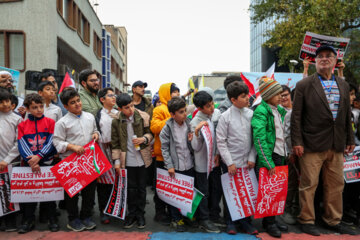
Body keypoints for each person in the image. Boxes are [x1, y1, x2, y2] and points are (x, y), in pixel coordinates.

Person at [291, 45, 356, 236]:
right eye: (320, 56)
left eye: (329, 56)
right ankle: (306, 219)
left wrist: (349, 138)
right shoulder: (304, 85)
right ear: (315, 62)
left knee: (336, 185)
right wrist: (297, 142)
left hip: (337, 144)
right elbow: (296, 116)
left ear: (335, 62)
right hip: (311, 144)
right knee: (309, 184)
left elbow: (346, 115)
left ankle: (333, 220)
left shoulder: (343, 84)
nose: (324, 59)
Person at [53, 88, 99, 232]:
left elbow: (95, 130)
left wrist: (96, 135)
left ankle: (86, 217)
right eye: (73, 103)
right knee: (72, 194)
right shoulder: (62, 123)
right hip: (70, 162)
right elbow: (57, 143)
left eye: (78, 100)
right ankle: (73, 219)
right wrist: (72, 146)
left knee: (89, 193)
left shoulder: (90, 117)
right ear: (66, 106)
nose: (78, 104)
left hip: (88, 161)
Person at [216, 81, 258, 235]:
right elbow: (221, 141)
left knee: (246, 192)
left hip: (248, 162)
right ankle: (230, 222)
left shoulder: (252, 114)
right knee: (231, 193)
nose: (248, 98)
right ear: (233, 100)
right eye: (243, 96)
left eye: (247, 94)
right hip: (230, 163)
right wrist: (229, 162)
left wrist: (252, 157)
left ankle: (246, 222)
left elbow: (256, 139)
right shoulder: (225, 117)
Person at [251, 77, 288, 238]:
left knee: (276, 191)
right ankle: (269, 223)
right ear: (268, 95)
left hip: (280, 154)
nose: (281, 96)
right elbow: (259, 139)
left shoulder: (277, 110)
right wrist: (268, 162)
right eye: (277, 94)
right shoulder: (261, 111)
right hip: (270, 157)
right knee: (269, 192)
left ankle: (272, 219)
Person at [17, 93, 59, 233]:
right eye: (35, 107)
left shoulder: (50, 122)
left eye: (41, 106)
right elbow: (21, 143)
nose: (39, 110)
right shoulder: (22, 125)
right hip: (30, 165)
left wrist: (39, 156)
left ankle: (52, 218)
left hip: (46, 162)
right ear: (28, 109)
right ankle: (28, 220)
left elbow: (51, 141)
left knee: (49, 194)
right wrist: (31, 160)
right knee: (30, 194)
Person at [111, 93, 153, 229]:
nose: (130, 110)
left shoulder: (142, 116)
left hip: (142, 158)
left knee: (142, 188)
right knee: (130, 189)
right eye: (126, 108)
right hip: (126, 160)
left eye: (131, 106)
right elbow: (115, 143)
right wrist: (117, 162)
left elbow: (150, 133)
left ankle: (140, 215)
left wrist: (144, 139)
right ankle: (131, 214)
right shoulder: (116, 121)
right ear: (119, 109)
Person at [159, 97, 194, 232]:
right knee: (175, 194)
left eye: (185, 110)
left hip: (189, 165)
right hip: (176, 167)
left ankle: (186, 217)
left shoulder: (189, 124)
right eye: (181, 112)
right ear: (172, 115)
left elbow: (193, 147)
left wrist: (192, 141)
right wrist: (170, 166)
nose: (185, 114)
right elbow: (165, 149)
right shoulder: (167, 129)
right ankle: (175, 218)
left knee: (188, 193)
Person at [190, 91, 220, 233]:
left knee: (214, 190)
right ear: (200, 108)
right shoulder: (195, 122)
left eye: (212, 103)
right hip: (202, 164)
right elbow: (195, 147)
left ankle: (212, 216)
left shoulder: (210, 118)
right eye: (208, 106)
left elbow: (214, 140)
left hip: (212, 163)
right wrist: (196, 133)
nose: (212, 108)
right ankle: (203, 219)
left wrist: (216, 154)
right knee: (203, 192)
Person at [150, 83, 180, 225]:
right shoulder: (159, 109)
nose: (177, 94)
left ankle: (173, 212)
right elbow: (154, 127)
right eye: (174, 92)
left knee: (173, 187)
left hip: (177, 156)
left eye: (178, 92)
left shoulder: (179, 108)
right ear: (166, 93)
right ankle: (160, 213)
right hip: (162, 156)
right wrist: (172, 118)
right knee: (161, 187)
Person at [95, 87, 118, 224]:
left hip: (117, 153)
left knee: (117, 183)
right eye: (110, 96)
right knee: (103, 185)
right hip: (103, 152)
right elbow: (96, 132)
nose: (114, 98)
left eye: (114, 95)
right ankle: (104, 211)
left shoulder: (118, 114)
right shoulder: (97, 115)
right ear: (102, 99)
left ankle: (117, 209)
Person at [0, 89, 22, 232]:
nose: (5, 104)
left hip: (10, 162)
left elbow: (18, 142)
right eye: (1, 102)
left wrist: (6, 160)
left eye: (7, 101)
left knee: (9, 191)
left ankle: (11, 222)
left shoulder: (17, 119)